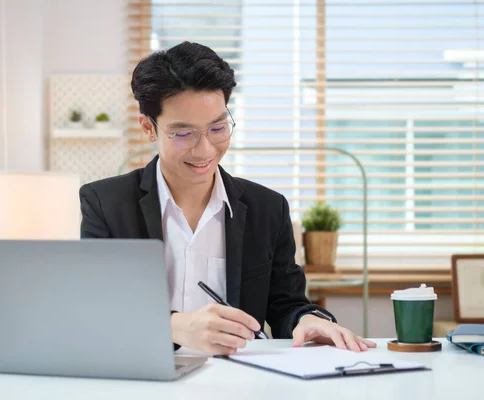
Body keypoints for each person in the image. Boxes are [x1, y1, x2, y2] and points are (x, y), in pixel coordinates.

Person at [79, 41, 376, 355]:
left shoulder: (268, 209)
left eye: (218, 127)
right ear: (148, 128)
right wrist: (176, 326)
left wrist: (307, 319)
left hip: (239, 380)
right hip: (142, 375)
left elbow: (286, 304)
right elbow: (96, 306)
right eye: (183, 133)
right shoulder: (105, 203)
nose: (205, 149)